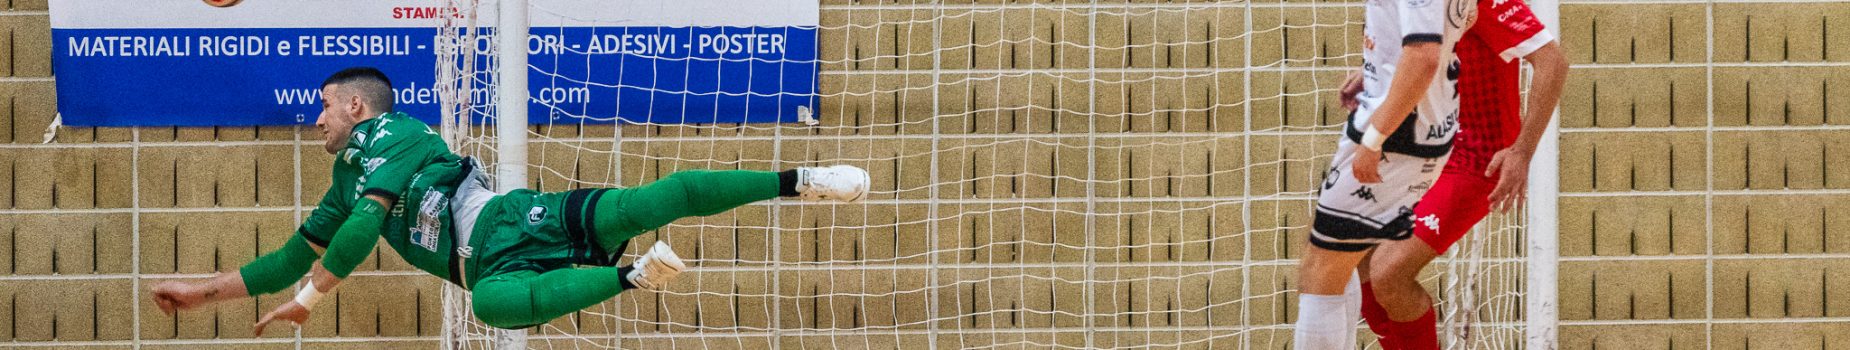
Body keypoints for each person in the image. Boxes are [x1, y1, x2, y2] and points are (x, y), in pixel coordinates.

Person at [149, 67, 873, 332]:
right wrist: (202, 293)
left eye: (326, 109)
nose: (317, 122)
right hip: (485, 269)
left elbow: (362, 231)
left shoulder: (392, 133)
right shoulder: (344, 182)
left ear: (359, 107)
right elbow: (284, 258)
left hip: (500, 220)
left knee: (651, 200)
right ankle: (630, 277)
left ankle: (800, 181)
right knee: (493, 308)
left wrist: (310, 300)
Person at [1345, 0, 1569, 347]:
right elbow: (1427, 53)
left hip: (1476, 159)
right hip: (1426, 150)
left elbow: (1552, 61)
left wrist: (1522, 152)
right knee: (1355, 249)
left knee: (1389, 272)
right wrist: (1374, 75)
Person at [1293, 0, 1476, 347]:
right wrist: (1381, 69)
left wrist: (1375, 137)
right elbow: (1463, 19)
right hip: (1413, 129)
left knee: (1323, 268)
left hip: (1399, 137)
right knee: (1336, 260)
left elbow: (1424, 56)